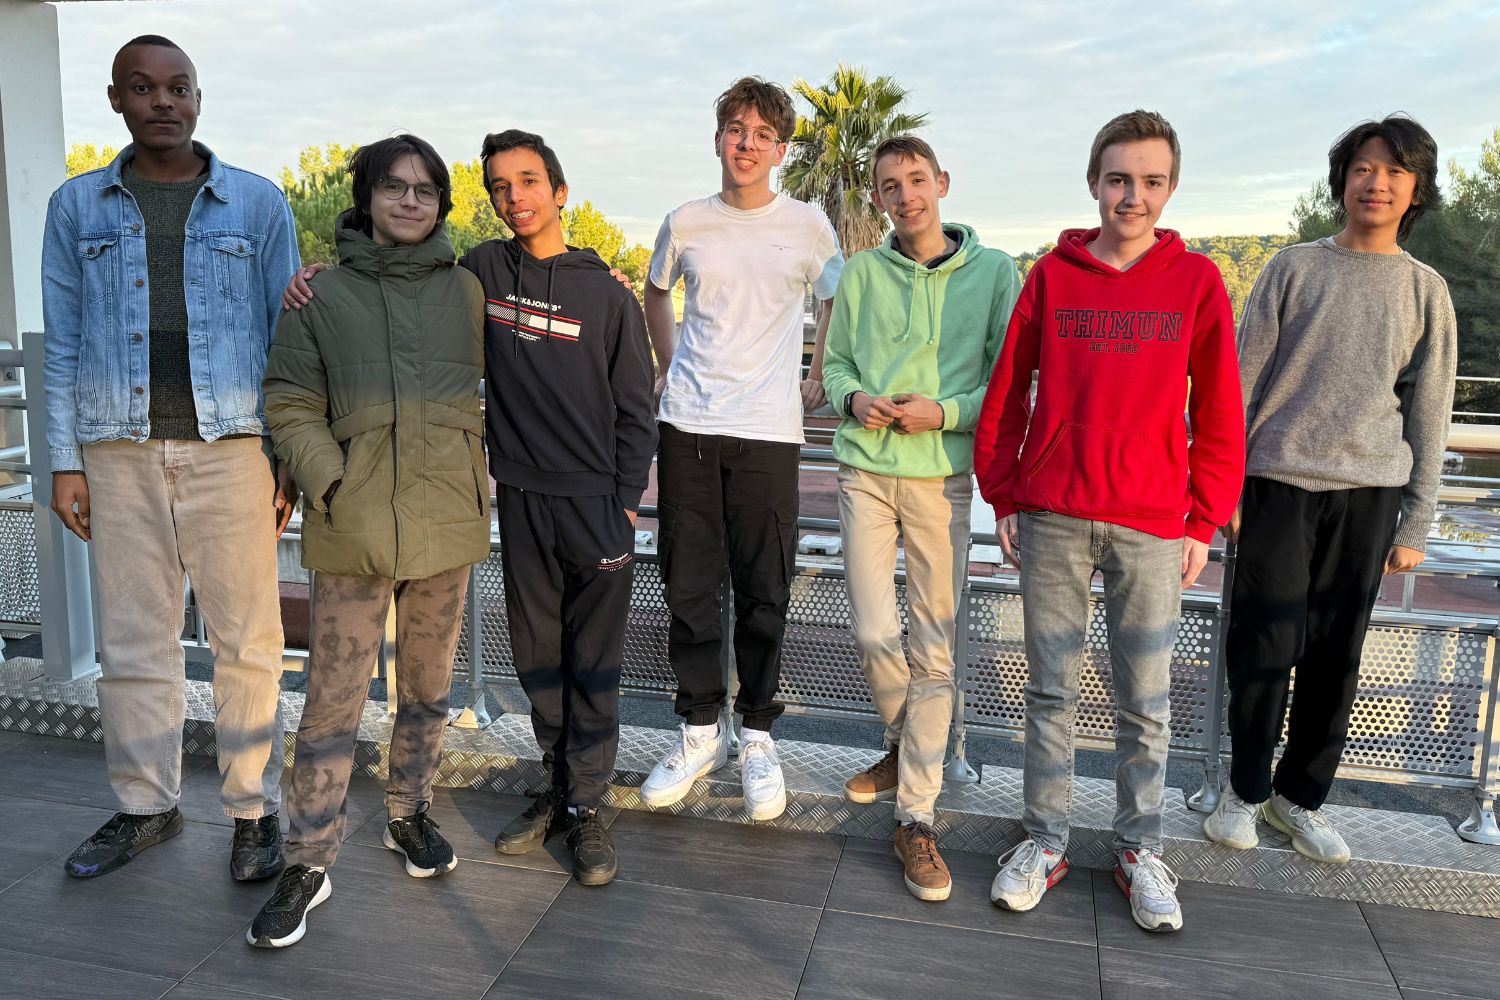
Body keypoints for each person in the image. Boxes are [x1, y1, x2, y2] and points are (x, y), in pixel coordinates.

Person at [974, 110, 1245, 932]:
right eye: (1119, 179)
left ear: (1171, 188)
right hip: (1055, 510)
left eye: (1151, 182)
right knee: (1050, 690)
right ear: (1094, 182)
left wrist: (1204, 518)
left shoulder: (1195, 283)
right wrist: (1004, 492)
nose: (1133, 196)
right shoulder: (1050, 279)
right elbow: (1007, 391)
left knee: (1146, 700)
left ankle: (1139, 850)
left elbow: (1221, 410)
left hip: (1154, 521)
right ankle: (1044, 840)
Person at [42, 34, 298, 882]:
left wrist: (286, 455)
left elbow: (288, 342)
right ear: (117, 100)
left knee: (248, 640)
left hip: (233, 448)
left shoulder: (257, 204)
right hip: (116, 450)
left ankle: (253, 810)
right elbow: (63, 343)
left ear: (197, 98)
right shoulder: (76, 206)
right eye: (143, 87)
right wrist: (64, 461)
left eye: (178, 87)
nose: (163, 101)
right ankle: (145, 804)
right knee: (132, 640)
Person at [249, 134, 490, 947]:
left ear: (442, 203)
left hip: (446, 518)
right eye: (394, 187)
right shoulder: (320, 294)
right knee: (332, 699)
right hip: (353, 523)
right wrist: (333, 480)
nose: (410, 201)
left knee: (427, 687)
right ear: (367, 197)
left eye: (426, 190)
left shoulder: (468, 290)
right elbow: (288, 398)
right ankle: (307, 858)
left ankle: (408, 812)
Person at [1204, 114, 1457, 864]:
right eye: (1363, 168)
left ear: (1416, 190)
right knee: (1263, 646)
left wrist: (1417, 523)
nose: (1376, 183)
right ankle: (1244, 790)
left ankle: (1299, 799)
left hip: (1370, 495)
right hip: (1276, 484)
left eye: (1395, 171)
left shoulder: (1426, 290)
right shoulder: (1292, 268)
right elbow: (1238, 385)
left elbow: (1431, 412)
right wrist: (1224, 489)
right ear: (1341, 180)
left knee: (1335, 657)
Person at [639, 77, 843, 821]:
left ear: (781, 150)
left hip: (769, 430)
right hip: (688, 425)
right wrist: (667, 366)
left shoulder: (809, 225)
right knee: (689, 584)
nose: (747, 144)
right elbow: (656, 292)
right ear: (718, 137)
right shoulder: (686, 221)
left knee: (764, 587)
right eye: (735, 129)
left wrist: (817, 372)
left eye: (762, 134)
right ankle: (700, 730)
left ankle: (756, 733)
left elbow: (837, 297)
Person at [821, 135, 1019, 901]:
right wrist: (855, 399)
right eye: (889, 186)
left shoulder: (995, 273)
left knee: (934, 651)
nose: (905, 196)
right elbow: (835, 366)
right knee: (875, 631)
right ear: (877, 199)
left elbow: (1009, 381)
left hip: (942, 478)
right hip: (865, 472)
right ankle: (907, 746)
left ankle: (915, 815)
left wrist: (945, 412)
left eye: (916, 180)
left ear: (942, 183)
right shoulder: (862, 273)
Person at [467, 130, 656, 885]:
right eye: (500, 186)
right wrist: (324, 271)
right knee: (537, 652)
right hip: (520, 498)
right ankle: (558, 786)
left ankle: (586, 806)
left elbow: (637, 410)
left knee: (594, 661)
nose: (515, 197)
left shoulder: (608, 295)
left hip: (595, 505)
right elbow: (408, 281)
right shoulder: (482, 270)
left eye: (529, 181)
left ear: (560, 191)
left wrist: (623, 505)